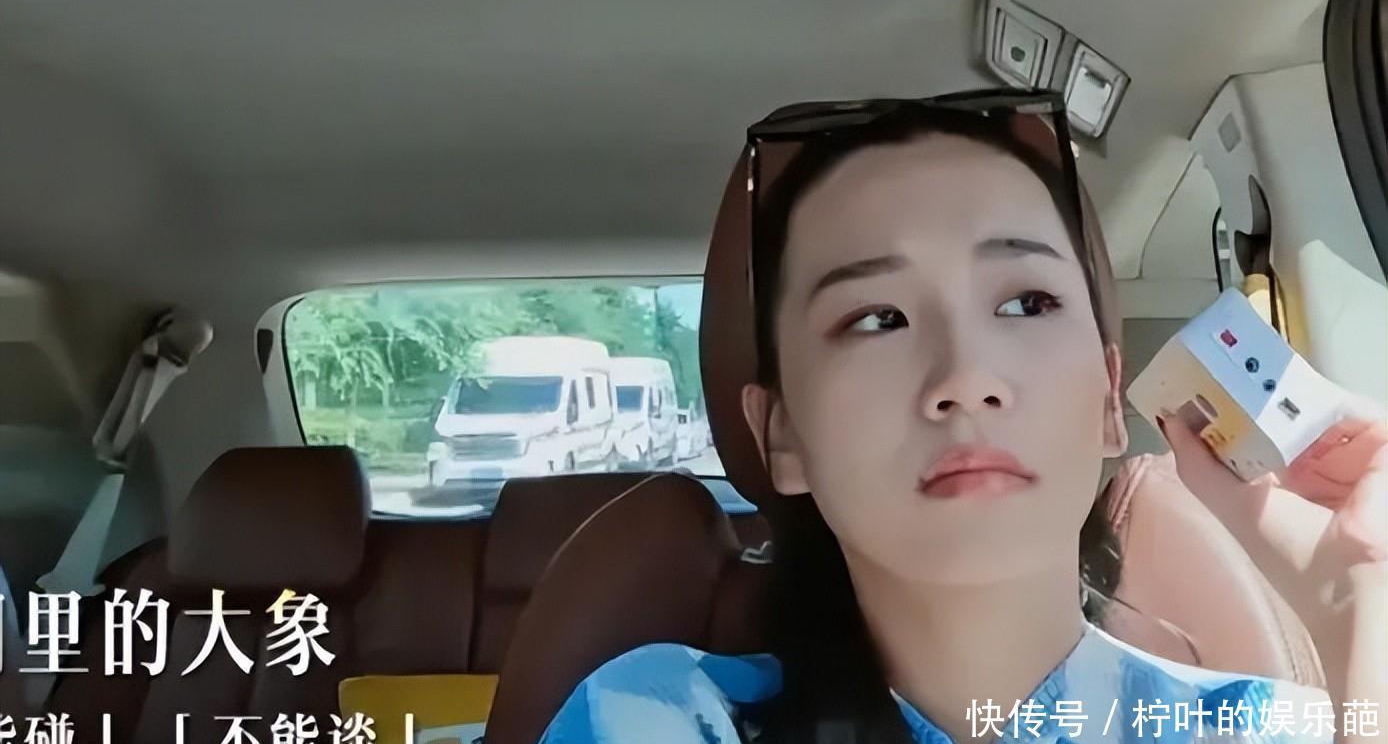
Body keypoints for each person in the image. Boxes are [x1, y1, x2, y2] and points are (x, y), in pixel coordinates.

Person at [539, 91, 1386, 743]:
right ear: (783, 434)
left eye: (1025, 302)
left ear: (1107, 396)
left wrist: (1359, 594)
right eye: (876, 318)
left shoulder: (1261, 727)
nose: (966, 377)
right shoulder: (660, 717)